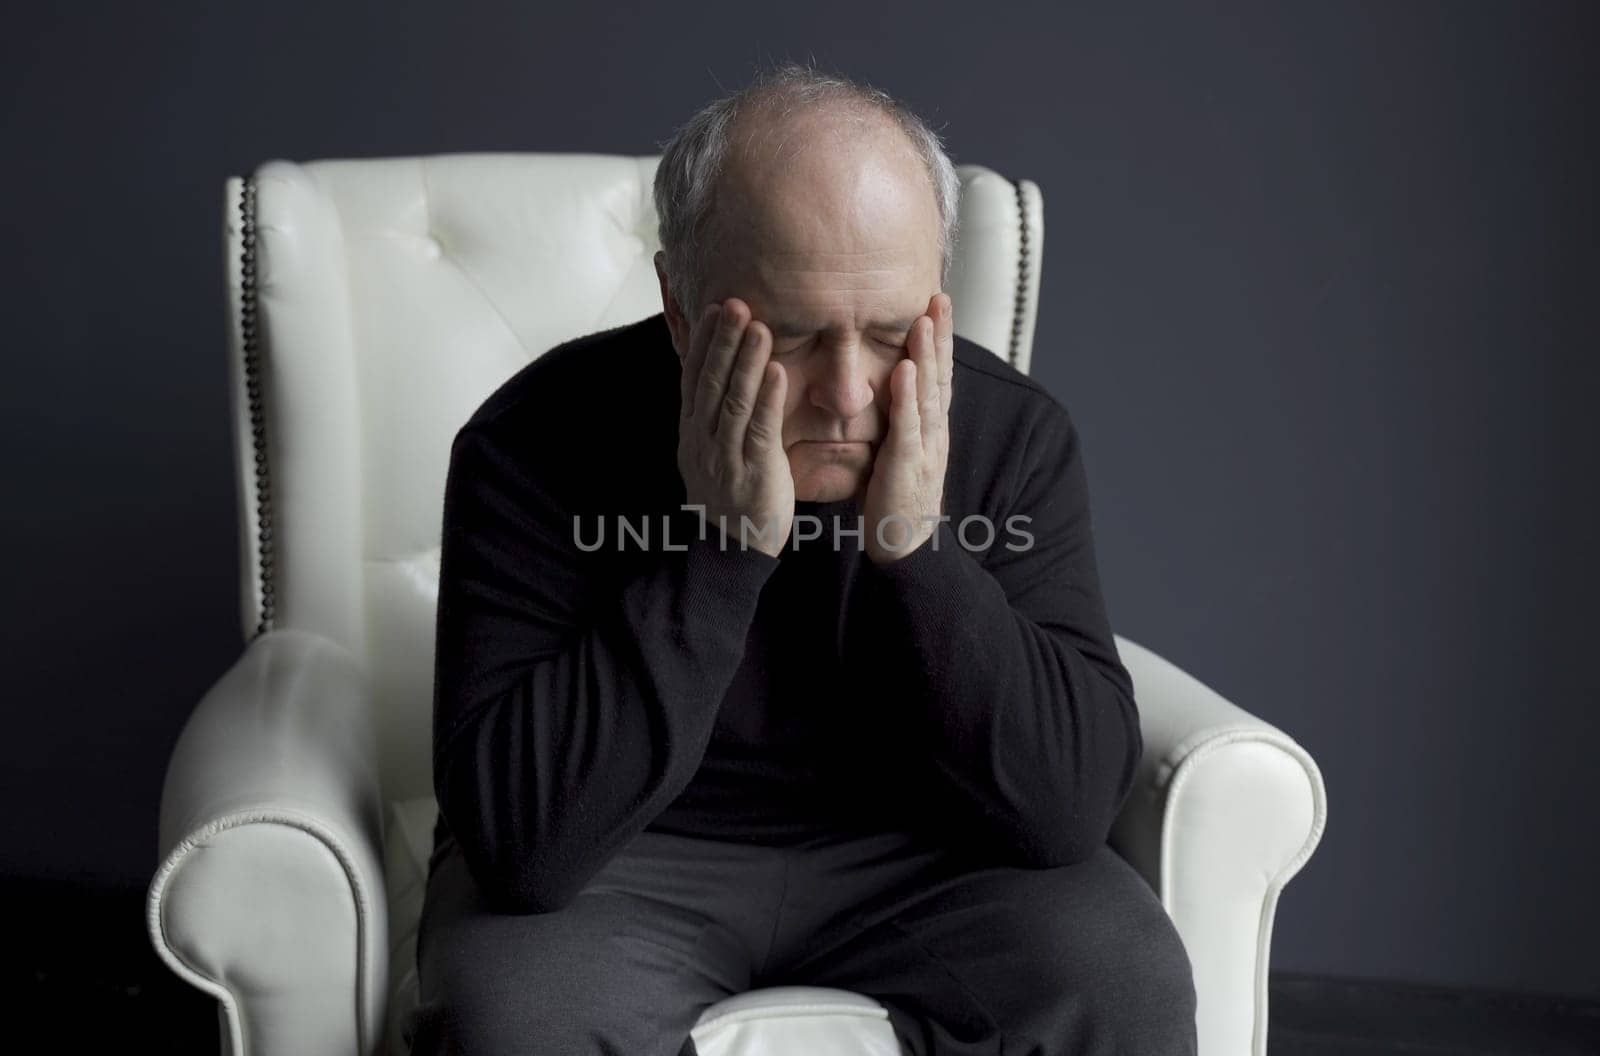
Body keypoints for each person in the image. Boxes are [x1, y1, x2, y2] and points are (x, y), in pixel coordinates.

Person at [406, 59, 1198, 1055]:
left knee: (1120, 979)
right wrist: (724, 548)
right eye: (791, 335)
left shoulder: (1011, 436)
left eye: (889, 333)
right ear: (681, 310)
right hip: (626, 859)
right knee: (516, 1019)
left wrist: (916, 552)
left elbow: (1066, 813)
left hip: (929, 853)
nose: (850, 394)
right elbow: (522, 848)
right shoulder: (530, 442)